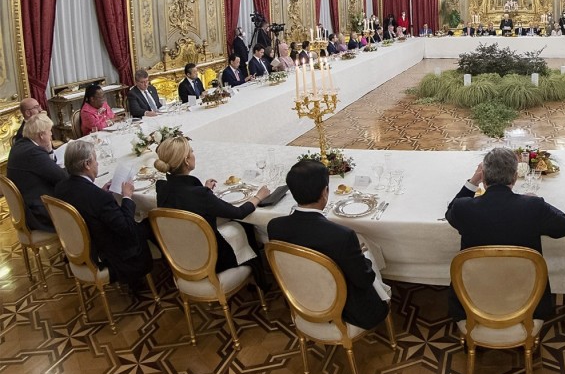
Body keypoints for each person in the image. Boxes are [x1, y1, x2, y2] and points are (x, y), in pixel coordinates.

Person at [445, 148, 565, 319]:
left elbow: (450, 212)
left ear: (483, 177)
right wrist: (535, 201)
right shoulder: (533, 207)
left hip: (472, 300)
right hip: (528, 299)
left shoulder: (464, 208)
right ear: (514, 177)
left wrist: (473, 180)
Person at [267, 160, 390, 328]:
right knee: (369, 254)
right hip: (348, 311)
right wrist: (363, 257)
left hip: (301, 302)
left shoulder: (275, 226)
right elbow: (364, 280)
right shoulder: (342, 235)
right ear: (325, 192)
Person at [155, 137, 270, 278]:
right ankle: (260, 276)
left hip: (181, 254)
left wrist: (203, 190)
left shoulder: (162, 188)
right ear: (186, 160)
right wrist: (258, 197)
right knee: (244, 226)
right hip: (211, 258)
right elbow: (238, 213)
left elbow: (183, 200)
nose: (193, 154)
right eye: (191, 151)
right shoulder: (199, 195)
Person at [55, 140, 154, 293]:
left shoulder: (61, 187)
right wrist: (127, 197)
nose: (98, 164)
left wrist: (101, 191)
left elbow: (86, 203)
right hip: (108, 254)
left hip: (81, 247)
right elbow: (127, 229)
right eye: (95, 159)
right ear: (87, 164)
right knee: (150, 222)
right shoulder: (99, 198)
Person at [7, 113, 65, 231]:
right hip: (38, 213)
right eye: (49, 131)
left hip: (27, 203)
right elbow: (61, 177)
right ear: (41, 135)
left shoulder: (20, 144)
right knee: (82, 201)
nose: (51, 134)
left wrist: (49, 151)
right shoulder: (33, 153)